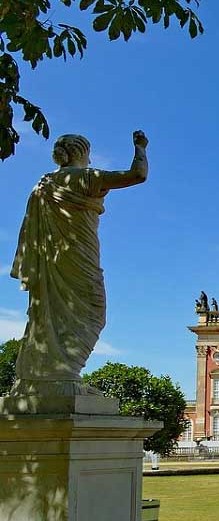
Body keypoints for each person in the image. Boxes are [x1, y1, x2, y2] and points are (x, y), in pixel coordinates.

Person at [9, 131, 148, 398]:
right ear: (82, 153)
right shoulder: (87, 177)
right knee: (94, 309)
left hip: (51, 259)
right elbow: (137, 175)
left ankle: (50, 376)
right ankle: (61, 376)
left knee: (47, 311)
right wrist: (141, 148)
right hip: (80, 256)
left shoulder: (42, 186)